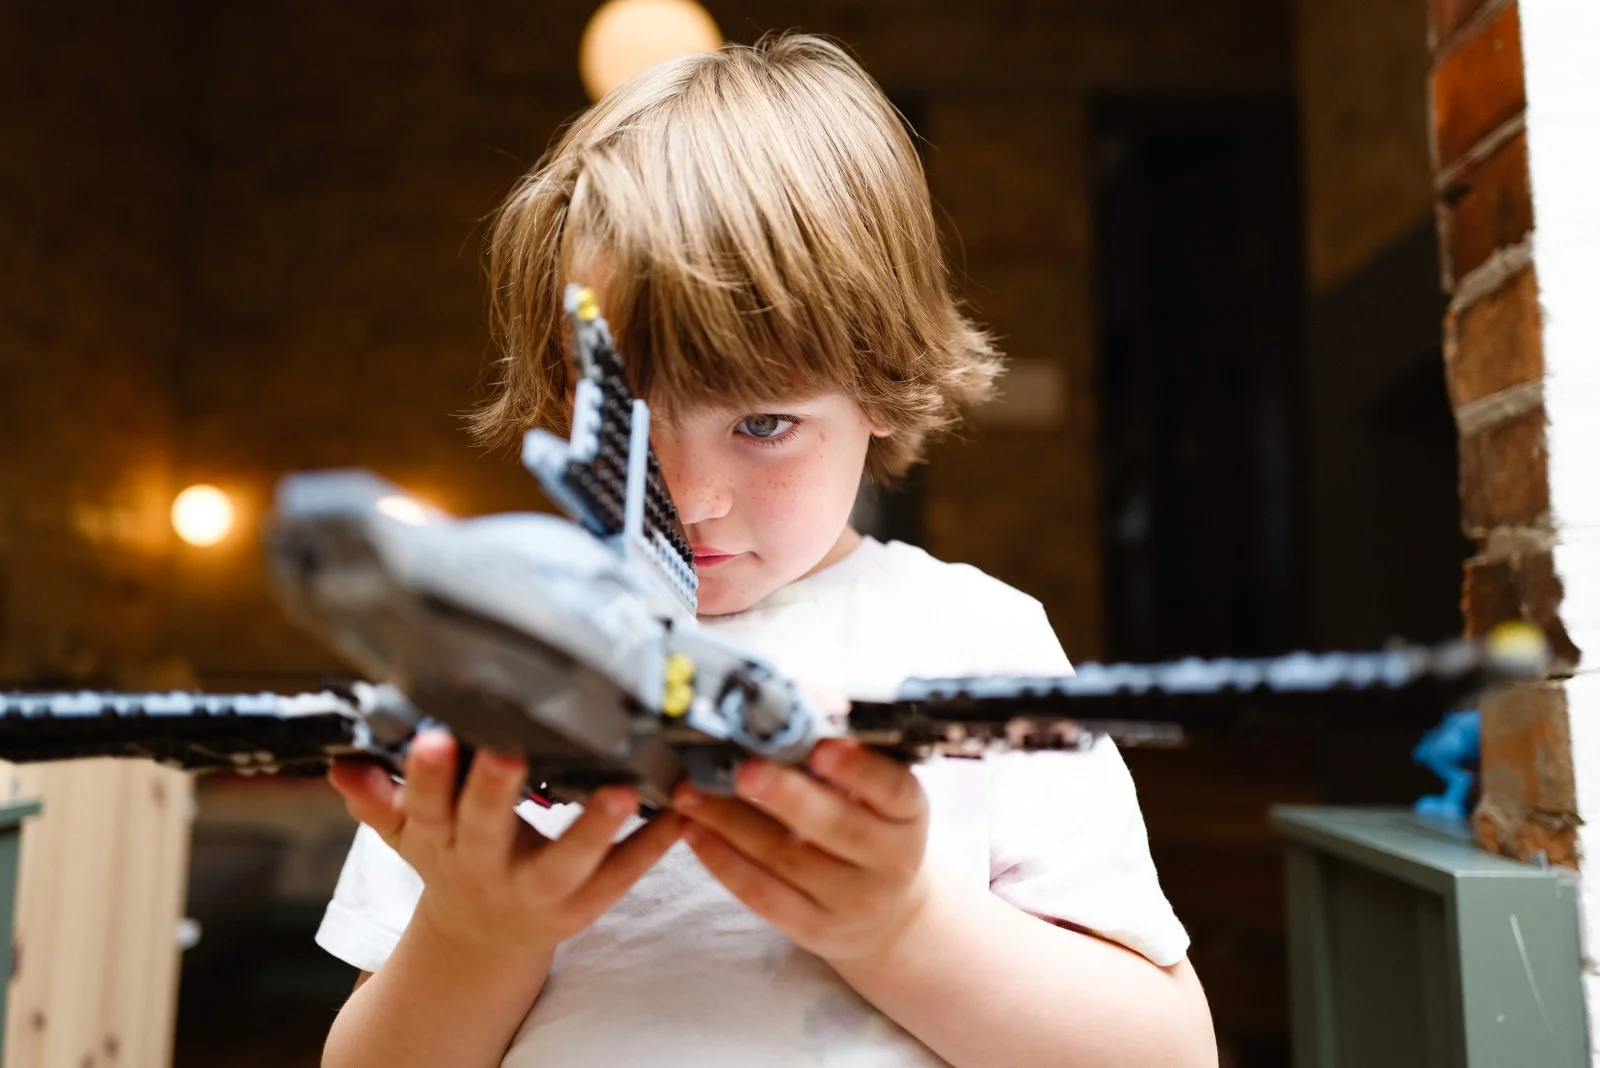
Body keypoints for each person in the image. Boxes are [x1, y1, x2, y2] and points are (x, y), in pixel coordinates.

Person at [316, 31, 1217, 1068]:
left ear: (877, 386)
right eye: (629, 426)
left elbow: (1167, 1057)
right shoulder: (489, 660)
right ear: (563, 401)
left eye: (761, 425)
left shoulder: (980, 640)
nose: (690, 500)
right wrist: (480, 934)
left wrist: (899, 925)